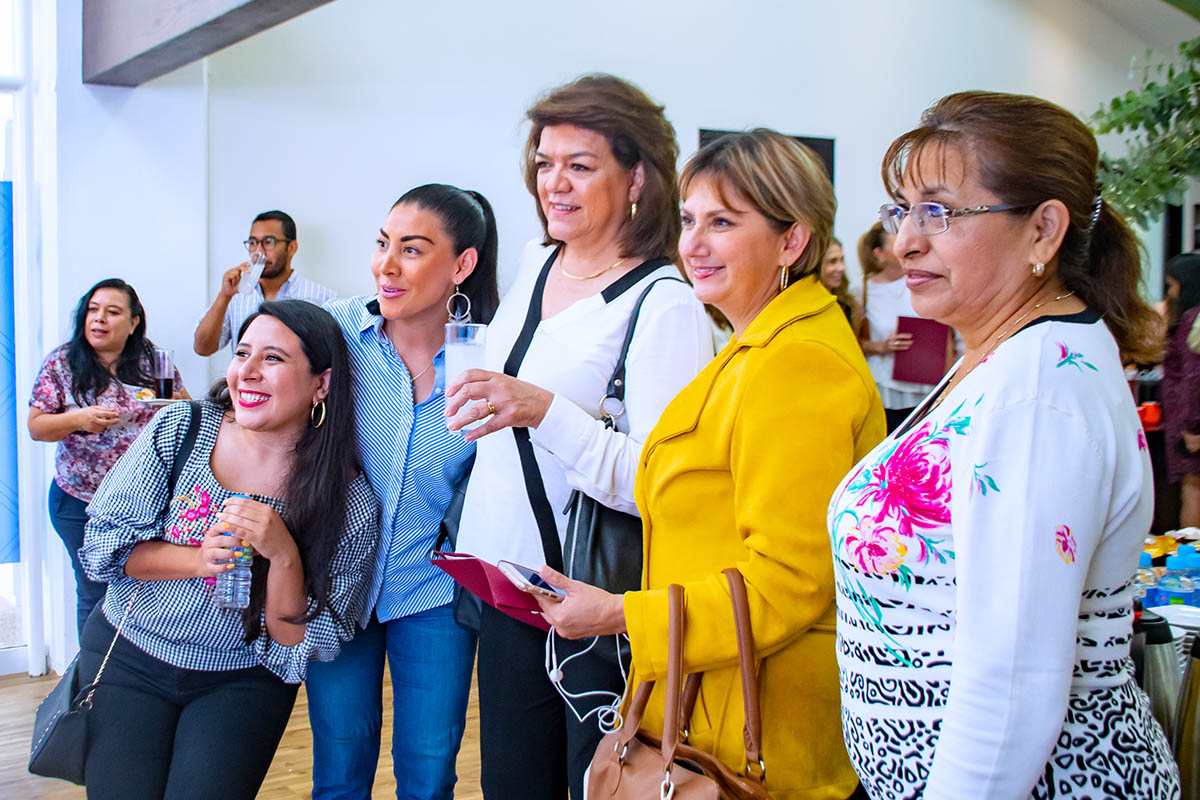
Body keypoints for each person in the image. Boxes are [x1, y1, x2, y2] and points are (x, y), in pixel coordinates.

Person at [827, 91, 1179, 800]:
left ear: (1044, 230)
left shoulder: (1038, 388)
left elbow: (1013, 680)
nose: (906, 242)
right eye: (902, 210)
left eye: (941, 211)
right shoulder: (1007, 354)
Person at [528, 128, 884, 800]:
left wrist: (618, 614)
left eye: (722, 222)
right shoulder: (754, 346)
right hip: (706, 698)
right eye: (690, 220)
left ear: (792, 241)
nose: (692, 244)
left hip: (751, 729)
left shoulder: (796, 364)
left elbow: (787, 580)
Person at [445, 74, 714, 800]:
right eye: (544, 163)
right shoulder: (538, 263)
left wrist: (545, 411)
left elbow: (660, 487)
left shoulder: (667, 306)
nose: (553, 183)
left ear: (637, 178)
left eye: (580, 165)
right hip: (508, 591)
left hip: (590, 609)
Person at [77, 299, 380, 800]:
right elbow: (106, 548)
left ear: (321, 384)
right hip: (131, 656)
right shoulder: (180, 430)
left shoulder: (345, 497)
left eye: (274, 359)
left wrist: (284, 555)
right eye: (242, 353)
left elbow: (297, 641)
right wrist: (196, 559)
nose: (248, 373)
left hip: (241, 681)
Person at [307, 183, 500, 800]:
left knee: (428, 772)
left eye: (412, 251)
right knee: (339, 771)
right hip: (336, 586)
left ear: (461, 265)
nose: (387, 266)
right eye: (383, 244)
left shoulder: (492, 358)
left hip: (434, 593)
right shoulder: (336, 332)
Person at [28, 278, 187, 638]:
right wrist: (78, 419)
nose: (99, 319)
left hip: (143, 501)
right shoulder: (62, 363)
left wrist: (168, 405)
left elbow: (184, 411)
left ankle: (129, 673)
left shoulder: (155, 360)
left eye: (112, 312)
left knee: (141, 589)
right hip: (79, 502)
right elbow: (37, 427)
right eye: (93, 310)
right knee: (94, 592)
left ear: (134, 322)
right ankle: (90, 684)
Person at [194, 210, 337, 356]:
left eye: (269, 242)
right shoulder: (236, 294)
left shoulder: (321, 298)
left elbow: (332, 358)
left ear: (291, 248)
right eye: (253, 243)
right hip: (244, 378)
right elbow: (202, 348)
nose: (259, 251)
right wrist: (224, 296)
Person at [857, 221, 934, 432]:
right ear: (879, 254)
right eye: (895, 241)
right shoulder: (862, 290)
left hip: (926, 387)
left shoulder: (923, 281)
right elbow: (852, 343)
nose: (904, 246)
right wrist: (881, 346)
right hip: (885, 390)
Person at [1163, 251, 1200, 527]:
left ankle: (1191, 562)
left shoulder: (1192, 321)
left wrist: (1191, 427)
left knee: (1193, 489)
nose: (1170, 292)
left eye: (1172, 284)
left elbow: (1193, 377)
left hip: (1190, 422)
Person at [821, 236, 861, 330]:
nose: (841, 267)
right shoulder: (806, 307)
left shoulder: (849, 305)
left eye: (842, 259)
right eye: (832, 261)